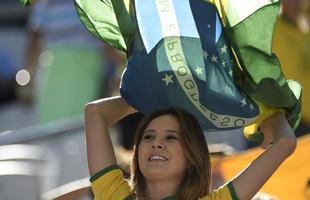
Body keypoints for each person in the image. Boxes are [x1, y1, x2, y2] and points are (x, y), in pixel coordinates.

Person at [84, 96, 297, 200]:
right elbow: (94, 112)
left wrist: (270, 114)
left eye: (171, 138)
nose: (156, 143)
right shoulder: (115, 196)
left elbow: (285, 143)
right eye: (148, 137)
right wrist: (145, 95)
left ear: (191, 158)